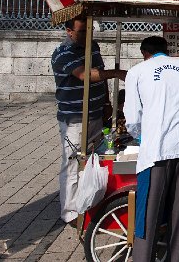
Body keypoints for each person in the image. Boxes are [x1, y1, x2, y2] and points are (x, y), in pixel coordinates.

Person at [125, 36, 179, 262]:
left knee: (148, 215)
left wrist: (142, 137)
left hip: (155, 153)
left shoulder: (137, 72)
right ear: (165, 51)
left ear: (144, 53)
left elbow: (132, 118)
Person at [51, 16, 127, 225]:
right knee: (73, 162)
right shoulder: (63, 53)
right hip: (74, 118)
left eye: (90, 30)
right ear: (69, 31)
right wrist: (117, 73)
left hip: (95, 113)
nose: (88, 35)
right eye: (83, 31)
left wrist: (105, 105)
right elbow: (86, 75)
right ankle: (70, 212)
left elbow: (99, 75)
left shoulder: (92, 46)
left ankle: (88, 203)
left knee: (94, 159)